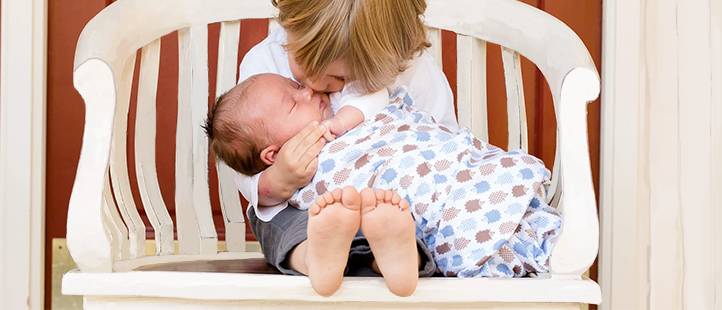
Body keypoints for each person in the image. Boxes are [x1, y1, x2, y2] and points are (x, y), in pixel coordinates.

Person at [213, 0, 458, 297]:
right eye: (301, 65)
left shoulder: (412, 71)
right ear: (289, 23)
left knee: (413, 223)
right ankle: (315, 256)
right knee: (276, 221)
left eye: (338, 76)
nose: (312, 84)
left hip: (394, 203)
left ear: (389, 57)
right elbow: (243, 152)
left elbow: (444, 145)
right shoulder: (265, 63)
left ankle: (389, 255)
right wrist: (275, 182)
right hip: (310, 209)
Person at [207, 73, 562, 279]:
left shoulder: (345, 100)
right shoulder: (263, 85)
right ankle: (383, 253)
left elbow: (384, 105)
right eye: (292, 102)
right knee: (351, 210)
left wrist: (343, 121)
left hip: (448, 173)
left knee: (397, 204)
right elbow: (259, 193)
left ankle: (393, 252)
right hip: (390, 203)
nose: (306, 90)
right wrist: (281, 176)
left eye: (295, 85)